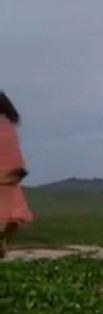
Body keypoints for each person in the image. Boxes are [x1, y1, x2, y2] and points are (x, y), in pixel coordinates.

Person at [0, 91, 33, 258]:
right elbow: (14, 153)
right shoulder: (9, 126)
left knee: (11, 216)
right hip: (11, 177)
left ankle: (2, 243)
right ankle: (3, 242)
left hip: (5, 177)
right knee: (13, 217)